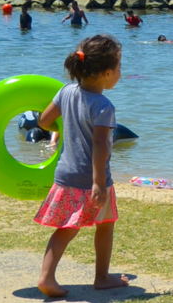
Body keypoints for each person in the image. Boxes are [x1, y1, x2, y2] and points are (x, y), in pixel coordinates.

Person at [34, 34, 128, 296]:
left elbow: (43, 121)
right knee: (106, 223)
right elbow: (99, 144)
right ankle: (102, 277)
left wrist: (67, 127)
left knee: (66, 227)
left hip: (66, 173)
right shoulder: (103, 106)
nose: (121, 73)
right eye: (119, 68)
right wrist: (99, 183)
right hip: (93, 177)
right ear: (106, 73)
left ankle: (47, 276)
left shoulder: (65, 92)